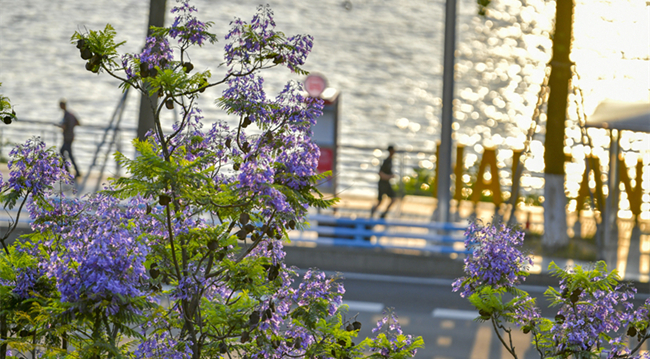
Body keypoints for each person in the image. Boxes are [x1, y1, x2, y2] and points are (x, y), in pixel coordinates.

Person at [370, 145, 397, 219]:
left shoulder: (390, 160)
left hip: (387, 183)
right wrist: (389, 177)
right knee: (380, 201)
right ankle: (372, 214)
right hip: (383, 183)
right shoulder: (386, 161)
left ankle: (383, 214)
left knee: (393, 198)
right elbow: (380, 173)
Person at [57, 99, 81, 178]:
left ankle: (71, 170)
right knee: (65, 152)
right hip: (70, 136)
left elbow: (64, 126)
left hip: (67, 137)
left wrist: (60, 126)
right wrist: (71, 127)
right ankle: (69, 169)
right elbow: (78, 123)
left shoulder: (67, 115)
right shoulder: (71, 114)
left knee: (65, 153)